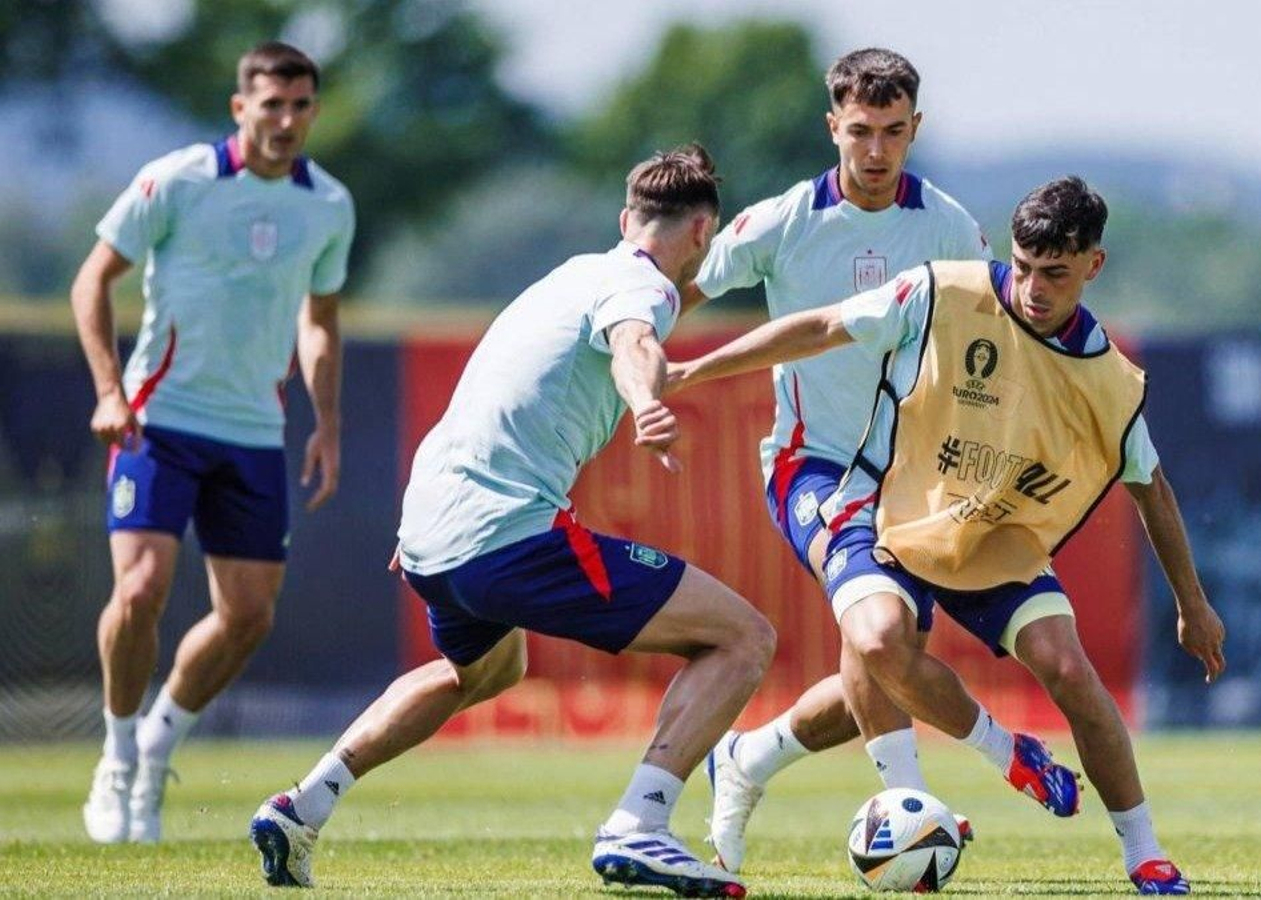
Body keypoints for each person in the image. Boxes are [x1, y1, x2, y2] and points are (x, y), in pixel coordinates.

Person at [672, 177, 1227, 896]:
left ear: (1095, 264)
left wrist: (1193, 603)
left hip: (992, 534)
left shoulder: (1109, 380)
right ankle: (1006, 756)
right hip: (891, 510)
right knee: (877, 645)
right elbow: (821, 326)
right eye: (1023, 266)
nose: (1032, 287)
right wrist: (695, 370)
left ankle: (1145, 852)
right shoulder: (941, 291)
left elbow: (1153, 490)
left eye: (1055, 273)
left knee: (1063, 665)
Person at [249, 145, 773, 899]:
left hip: (432, 525)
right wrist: (645, 400)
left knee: (487, 670)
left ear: (626, 219)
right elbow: (636, 344)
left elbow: (521, 372)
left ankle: (303, 806)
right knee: (744, 636)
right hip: (504, 533)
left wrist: (429, 528)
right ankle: (641, 826)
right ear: (699, 233)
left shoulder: (575, 274)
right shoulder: (643, 289)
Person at [681, 48, 990, 873]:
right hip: (810, 467)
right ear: (834, 127)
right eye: (861, 131)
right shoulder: (783, 220)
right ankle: (912, 805)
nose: (878, 151)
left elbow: (984, 344)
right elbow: (679, 288)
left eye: (895, 132)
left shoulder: (952, 227)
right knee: (881, 630)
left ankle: (751, 758)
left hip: (914, 478)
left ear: (916, 128)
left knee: (886, 659)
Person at [71, 41, 354, 845]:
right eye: (272, 104)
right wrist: (107, 391)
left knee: (250, 615)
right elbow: (92, 279)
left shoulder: (329, 205)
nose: (287, 120)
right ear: (241, 108)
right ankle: (118, 757)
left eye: (301, 106)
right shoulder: (177, 180)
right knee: (141, 589)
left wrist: (327, 424)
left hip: (255, 433)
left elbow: (321, 323)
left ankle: (158, 744)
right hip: (158, 421)